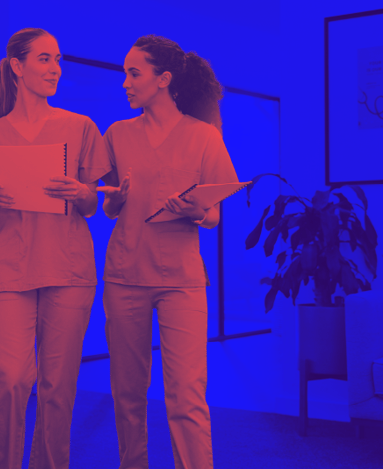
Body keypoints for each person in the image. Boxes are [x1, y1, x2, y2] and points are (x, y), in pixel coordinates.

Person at [0, 28, 111, 469]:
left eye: (58, 60)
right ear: (17, 66)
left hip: (68, 269)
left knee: (57, 387)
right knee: (8, 377)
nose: (55, 68)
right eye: (44, 59)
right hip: (12, 271)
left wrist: (79, 192)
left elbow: (93, 204)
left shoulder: (80, 128)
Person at [98, 35, 238, 469]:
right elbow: (108, 206)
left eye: (133, 73)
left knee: (186, 394)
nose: (125, 82)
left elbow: (213, 216)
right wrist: (116, 199)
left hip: (181, 281)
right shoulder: (117, 135)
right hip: (125, 276)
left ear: (163, 79)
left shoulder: (204, 137)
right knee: (127, 391)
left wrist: (195, 211)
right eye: (124, 73)